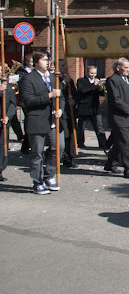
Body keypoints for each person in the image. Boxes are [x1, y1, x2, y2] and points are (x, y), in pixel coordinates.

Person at [18, 51, 63, 194]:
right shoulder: (28, 79)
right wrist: (49, 95)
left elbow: (60, 96)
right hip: (37, 119)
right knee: (37, 152)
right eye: (44, 60)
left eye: (48, 59)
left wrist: (60, 109)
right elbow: (27, 101)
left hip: (52, 120)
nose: (47, 62)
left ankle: (49, 175)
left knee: (58, 147)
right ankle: (37, 181)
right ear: (36, 62)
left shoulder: (53, 77)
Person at [104, 57, 129, 180]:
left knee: (118, 142)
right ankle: (128, 169)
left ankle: (110, 163)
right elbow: (116, 100)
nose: (127, 70)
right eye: (125, 68)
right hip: (119, 117)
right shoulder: (112, 80)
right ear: (118, 68)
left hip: (128, 117)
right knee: (125, 143)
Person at [75, 65, 108, 151]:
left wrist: (100, 88)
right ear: (87, 72)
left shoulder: (97, 82)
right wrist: (94, 85)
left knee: (99, 127)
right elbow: (83, 90)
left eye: (94, 73)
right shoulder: (81, 80)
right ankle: (80, 143)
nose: (93, 75)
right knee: (81, 127)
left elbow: (102, 94)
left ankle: (103, 144)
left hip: (95, 108)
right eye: (91, 73)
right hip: (84, 107)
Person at [0, 79, 17, 182]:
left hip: (3, 122)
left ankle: (0, 169)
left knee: (2, 146)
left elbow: (12, 103)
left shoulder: (7, 86)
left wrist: (8, 116)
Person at [18, 53, 33, 153]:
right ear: (27, 62)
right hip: (25, 102)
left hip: (33, 100)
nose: (33, 64)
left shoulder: (35, 72)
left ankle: (28, 144)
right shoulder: (22, 72)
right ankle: (25, 146)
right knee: (29, 122)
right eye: (31, 62)